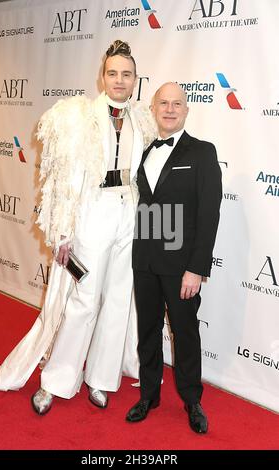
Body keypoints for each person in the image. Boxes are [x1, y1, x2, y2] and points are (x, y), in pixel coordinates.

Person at [0, 40, 156, 414]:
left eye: (126, 74)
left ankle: (101, 379)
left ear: (135, 78)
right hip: (93, 211)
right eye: (113, 73)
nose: (119, 80)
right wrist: (63, 233)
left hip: (130, 211)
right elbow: (60, 179)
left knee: (119, 299)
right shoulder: (76, 116)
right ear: (102, 76)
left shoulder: (143, 119)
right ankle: (57, 380)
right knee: (84, 298)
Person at [126, 82, 222, 433]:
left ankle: (192, 400)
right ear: (154, 109)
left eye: (176, 103)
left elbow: (209, 214)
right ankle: (149, 395)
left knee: (185, 332)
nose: (169, 109)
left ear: (186, 109)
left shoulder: (202, 152)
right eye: (163, 103)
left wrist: (196, 268)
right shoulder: (143, 151)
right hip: (145, 258)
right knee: (147, 330)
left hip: (181, 265)